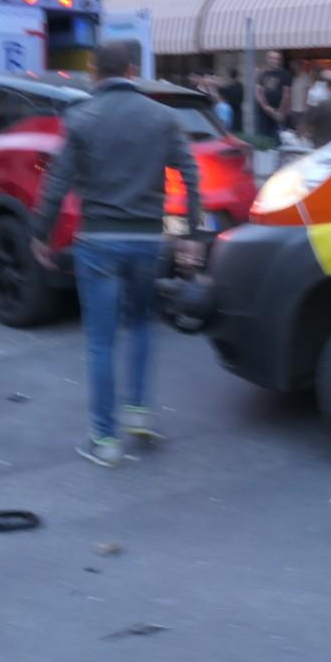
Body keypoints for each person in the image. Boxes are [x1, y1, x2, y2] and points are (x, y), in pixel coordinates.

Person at [31, 40, 201, 469]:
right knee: (142, 324)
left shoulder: (81, 117)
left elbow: (56, 181)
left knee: (102, 342)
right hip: (148, 242)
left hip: (99, 243)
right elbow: (190, 172)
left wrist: (40, 232)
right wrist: (192, 233)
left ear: (94, 71)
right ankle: (139, 411)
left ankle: (105, 439)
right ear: (130, 69)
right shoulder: (162, 117)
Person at [255, 51, 289, 140]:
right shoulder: (263, 73)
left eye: (276, 58)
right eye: (272, 58)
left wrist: (280, 112)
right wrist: (266, 107)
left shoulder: (284, 74)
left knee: (277, 137)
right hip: (264, 112)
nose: (274, 60)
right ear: (267, 59)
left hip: (278, 112)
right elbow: (258, 92)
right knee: (263, 137)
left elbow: (286, 94)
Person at [218, 68, 244, 132]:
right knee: (238, 129)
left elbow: (221, 93)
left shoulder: (228, 88)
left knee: (230, 129)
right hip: (238, 110)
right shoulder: (240, 86)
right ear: (237, 76)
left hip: (230, 110)